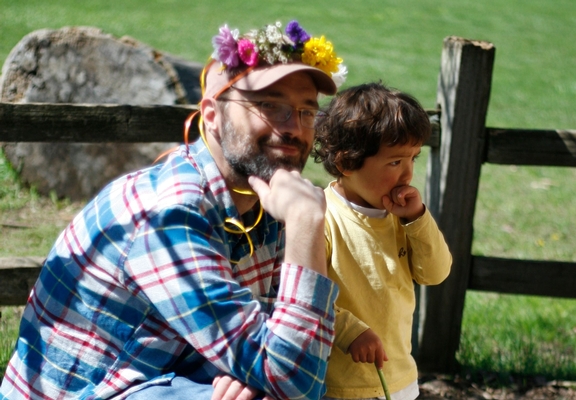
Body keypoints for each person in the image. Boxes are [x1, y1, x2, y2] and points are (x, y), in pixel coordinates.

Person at [0, 20, 348, 400]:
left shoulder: (266, 198)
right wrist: (306, 222)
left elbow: (285, 352)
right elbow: (295, 380)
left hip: (160, 375)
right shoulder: (171, 213)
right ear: (212, 116)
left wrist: (256, 372)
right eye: (269, 106)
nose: (294, 128)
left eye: (307, 112)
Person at [312, 82, 452, 400]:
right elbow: (308, 295)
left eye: (413, 159)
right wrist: (349, 331)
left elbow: (436, 272)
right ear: (348, 163)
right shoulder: (321, 218)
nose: (407, 175)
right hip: (339, 384)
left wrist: (418, 219)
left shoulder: (403, 217)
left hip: (399, 375)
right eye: (394, 162)